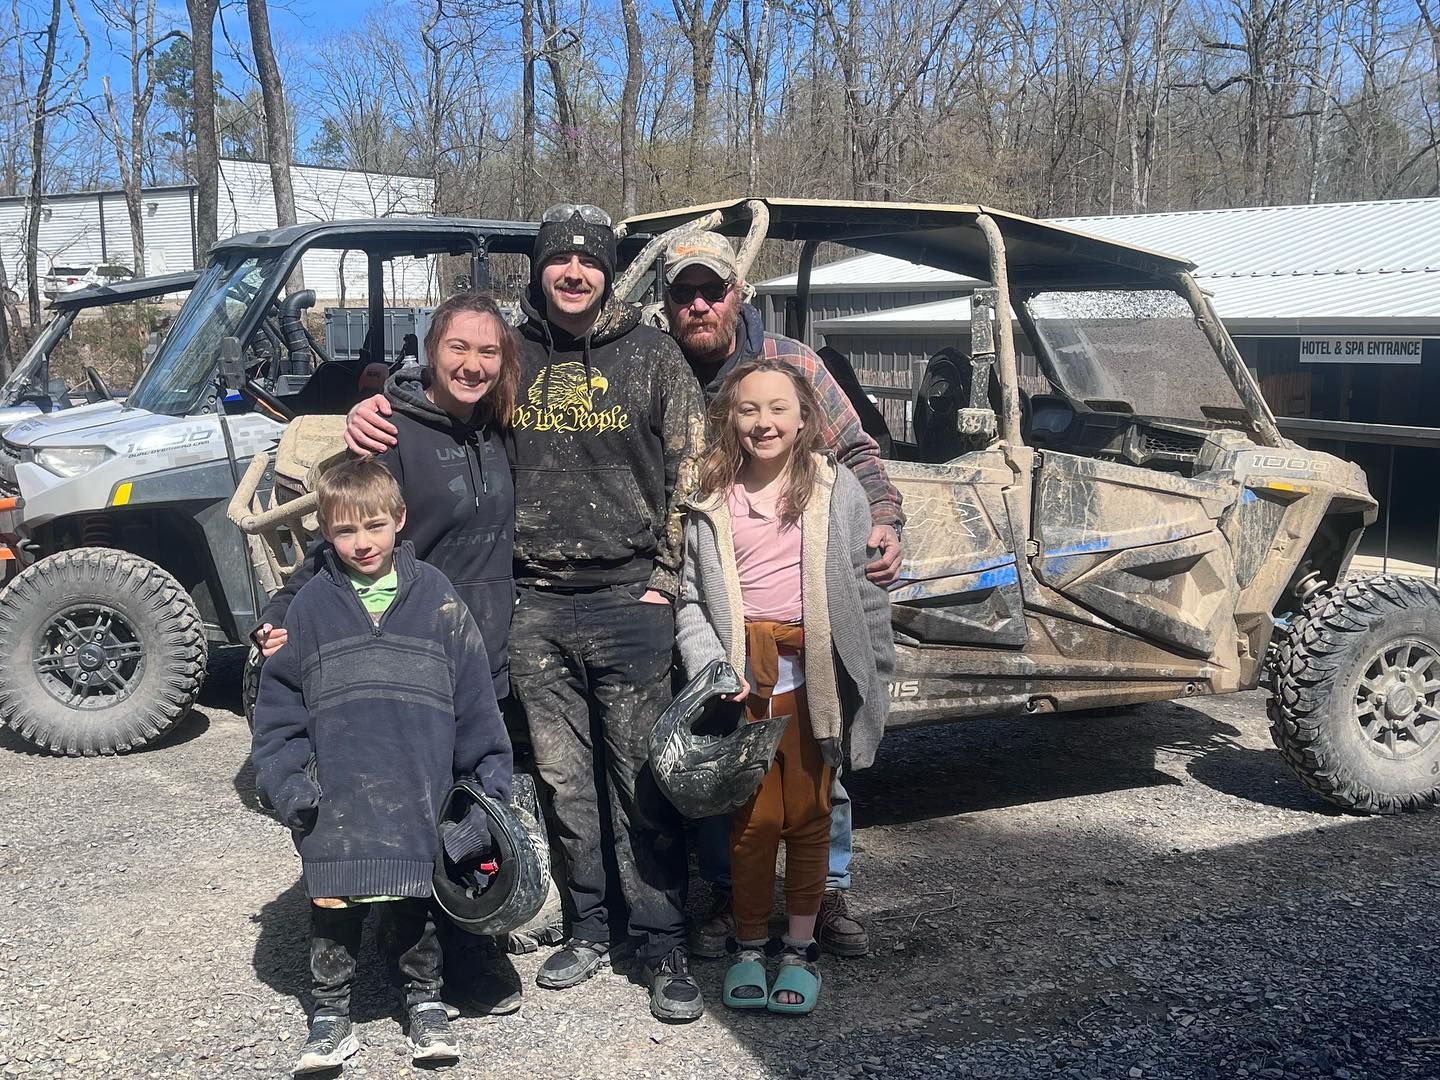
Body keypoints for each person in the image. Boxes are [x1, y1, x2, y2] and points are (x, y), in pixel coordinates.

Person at [344, 204, 709, 1022]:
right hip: (534, 602)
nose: (573, 272)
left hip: (629, 598)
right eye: (558, 260)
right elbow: (448, 389)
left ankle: (660, 941)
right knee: (564, 783)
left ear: (609, 270)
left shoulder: (652, 355)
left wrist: (666, 575)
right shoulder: (511, 351)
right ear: (540, 268)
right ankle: (587, 928)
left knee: (640, 781)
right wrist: (379, 400)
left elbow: (696, 468)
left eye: (588, 261)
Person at [253, 290, 523, 1015]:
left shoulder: (504, 428)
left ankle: (466, 946)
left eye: (488, 351)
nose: (472, 363)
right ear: (431, 351)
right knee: (414, 804)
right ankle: (415, 954)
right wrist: (282, 614)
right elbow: (345, 535)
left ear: (504, 363)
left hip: (484, 651)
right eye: (457, 348)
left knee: (470, 810)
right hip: (411, 650)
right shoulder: (387, 431)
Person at [659, 228, 901, 959]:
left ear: (739, 293)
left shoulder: (791, 365)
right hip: (701, 587)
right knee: (722, 758)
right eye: (683, 293)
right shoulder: (653, 367)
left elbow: (857, 454)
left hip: (804, 607)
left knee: (818, 751)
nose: (699, 304)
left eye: (713, 289)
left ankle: (823, 896)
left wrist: (883, 523)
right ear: (666, 304)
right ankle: (739, 900)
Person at [250, 459, 513, 1073]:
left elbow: (475, 699)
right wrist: (288, 783)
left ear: (398, 519)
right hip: (336, 796)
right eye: (344, 532)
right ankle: (330, 1016)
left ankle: (425, 1005)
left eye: (374, 526)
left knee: (411, 899)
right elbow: (279, 713)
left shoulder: (439, 601)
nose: (362, 543)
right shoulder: (309, 611)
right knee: (335, 906)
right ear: (324, 533)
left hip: (418, 788)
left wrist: (487, 781)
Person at [675, 357, 894, 1015]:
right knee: (749, 825)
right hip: (743, 689)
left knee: (807, 820)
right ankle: (748, 946)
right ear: (729, 419)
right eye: (748, 409)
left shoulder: (837, 489)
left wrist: (875, 680)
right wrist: (715, 668)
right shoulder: (711, 496)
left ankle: (798, 948)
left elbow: (864, 594)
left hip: (814, 687)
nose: (762, 422)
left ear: (804, 419)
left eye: (778, 408)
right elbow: (690, 598)